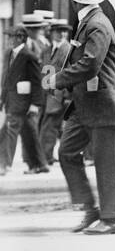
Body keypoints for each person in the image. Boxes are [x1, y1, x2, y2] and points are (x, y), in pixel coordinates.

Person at [42, 0, 115, 234]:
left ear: (74, 0)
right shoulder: (87, 21)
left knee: (105, 162)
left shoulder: (97, 24)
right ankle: (90, 209)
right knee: (66, 152)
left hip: (102, 103)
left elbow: (90, 64)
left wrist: (57, 79)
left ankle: (111, 219)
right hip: (86, 102)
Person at [1, 15, 49, 175]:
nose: (8, 40)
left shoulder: (29, 56)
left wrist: (35, 104)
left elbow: (37, 82)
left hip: (26, 103)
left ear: (20, 38)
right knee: (29, 135)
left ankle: (4, 165)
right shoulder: (9, 54)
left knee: (10, 130)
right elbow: (5, 79)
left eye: (11, 37)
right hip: (13, 101)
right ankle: (39, 164)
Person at [37, 17, 72, 163]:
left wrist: (67, 96)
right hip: (47, 95)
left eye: (64, 31)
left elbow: (70, 73)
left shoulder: (69, 50)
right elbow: (43, 70)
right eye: (59, 31)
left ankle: (45, 157)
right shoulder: (47, 50)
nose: (62, 34)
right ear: (51, 33)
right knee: (50, 126)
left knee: (50, 126)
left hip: (60, 95)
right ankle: (48, 155)